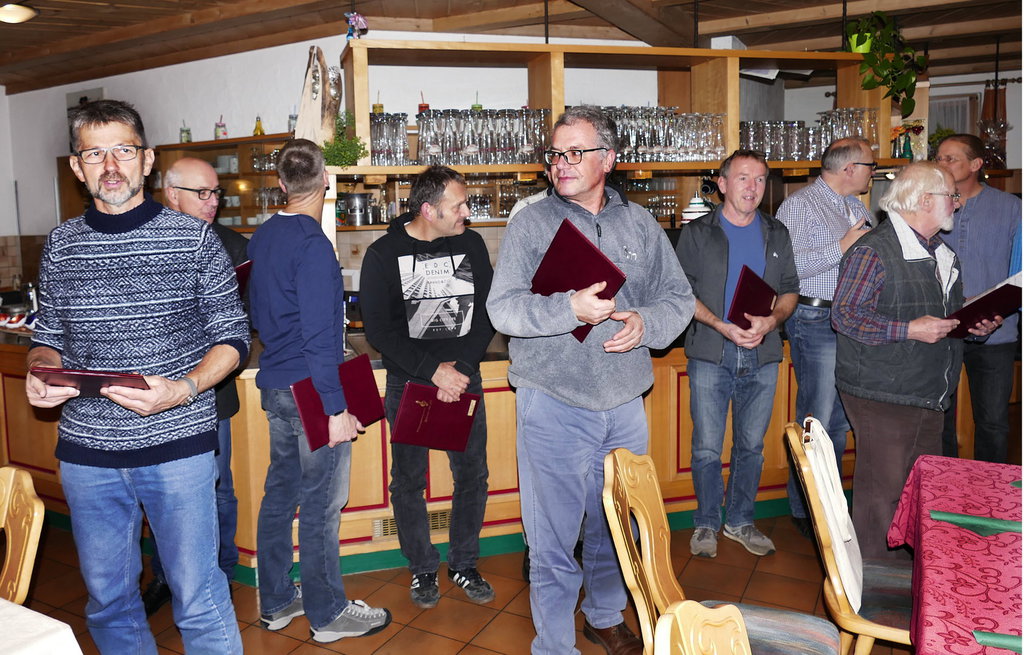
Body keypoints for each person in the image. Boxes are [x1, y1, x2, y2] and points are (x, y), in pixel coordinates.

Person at [26, 99, 247, 653]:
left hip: (177, 446)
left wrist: (185, 388)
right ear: (77, 167)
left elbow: (233, 338)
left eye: (123, 150)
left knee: (199, 598)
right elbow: (47, 336)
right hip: (87, 453)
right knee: (108, 602)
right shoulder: (61, 244)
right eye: (93, 153)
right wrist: (41, 369)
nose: (110, 165)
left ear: (147, 160)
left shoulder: (194, 239)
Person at [487, 105, 695, 655]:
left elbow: (678, 298)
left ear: (609, 158)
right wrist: (568, 309)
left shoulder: (641, 223)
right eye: (556, 153)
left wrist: (646, 322)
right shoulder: (531, 223)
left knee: (615, 526)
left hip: (624, 404)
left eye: (576, 152)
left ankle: (604, 616)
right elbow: (502, 309)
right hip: (552, 403)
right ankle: (554, 646)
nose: (562, 162)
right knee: (552, 540)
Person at [248, 139, 391, 643]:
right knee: (321, 505)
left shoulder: (261, 238)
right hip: (311, 393)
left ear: (281, 185)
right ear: (326, 182)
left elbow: (259, 315)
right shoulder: (313, 245)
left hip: (277, 384)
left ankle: (276, 601)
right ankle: (328, 614)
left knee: (280, 496)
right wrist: (335, 409)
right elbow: (319, 337)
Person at [832, 161, 1001, 559]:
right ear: (925, 200)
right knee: (882, 495)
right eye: (951, 196)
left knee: (920, 491)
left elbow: (942, 318)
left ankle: (916, 576)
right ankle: (870, 582)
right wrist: (909, 329)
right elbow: (845, 316)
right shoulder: (873, 250)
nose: (958, 203)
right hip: (882, 391)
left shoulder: (943, 252)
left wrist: (974, 325)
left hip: (929, 391)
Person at [361, 165, 496, 608]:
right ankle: (422, 568)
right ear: (428, 210)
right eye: (458, 206)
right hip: (409, 383)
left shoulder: (471, 244)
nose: (466, 213)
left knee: (472, 477)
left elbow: (487, 312)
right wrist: (433, 371)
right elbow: (379, 330)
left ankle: (463, 563)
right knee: (407, 482)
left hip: (465, 379)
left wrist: (460, 369)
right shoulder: (383, 254)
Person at [675, 149, 799, 560]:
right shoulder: (698, 233)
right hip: (712, 352)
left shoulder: (776, 232)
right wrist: (720, 324)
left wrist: (772, 320)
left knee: (751, 446)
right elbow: (681, 293)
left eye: (760, 179)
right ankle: (707, 523)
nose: (752, 187)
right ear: (723, 184)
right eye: (743, 178)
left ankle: (741, 521)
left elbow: (790, 289)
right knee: (707, 447)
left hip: (762, 354)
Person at [141, 157, 249, 615]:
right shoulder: (144, 240)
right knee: (158, 494)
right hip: (153, 394)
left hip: (211, 392)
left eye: (215, 192)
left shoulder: (234, 246)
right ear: (172, 194)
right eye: (201, 193)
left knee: (217, 489)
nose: (212, 201)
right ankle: (165, 577)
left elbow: (243, 325)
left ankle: (221, 574)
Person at [774, 137, 874, 538]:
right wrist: (843, 245)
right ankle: (806, 508)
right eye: (870, 165)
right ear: (849, 169)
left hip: (852, 318)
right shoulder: (800, 205)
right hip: (815, 317)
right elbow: (789, 267)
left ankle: (829, 505)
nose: (873, 172)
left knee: (839, 421)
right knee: (817, 417)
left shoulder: (856, 206)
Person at [935, 134, 1021, 463]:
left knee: (993, 423)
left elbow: (1020, 270)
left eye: (950, 158)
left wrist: (1003, 308)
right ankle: (942, 486)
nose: (941, 164)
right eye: (938, 158)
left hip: (997, 330)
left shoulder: (1012, 207)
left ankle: (990, 489)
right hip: (940, 328)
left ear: (975, 164)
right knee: (938, 417)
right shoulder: (929, 204)